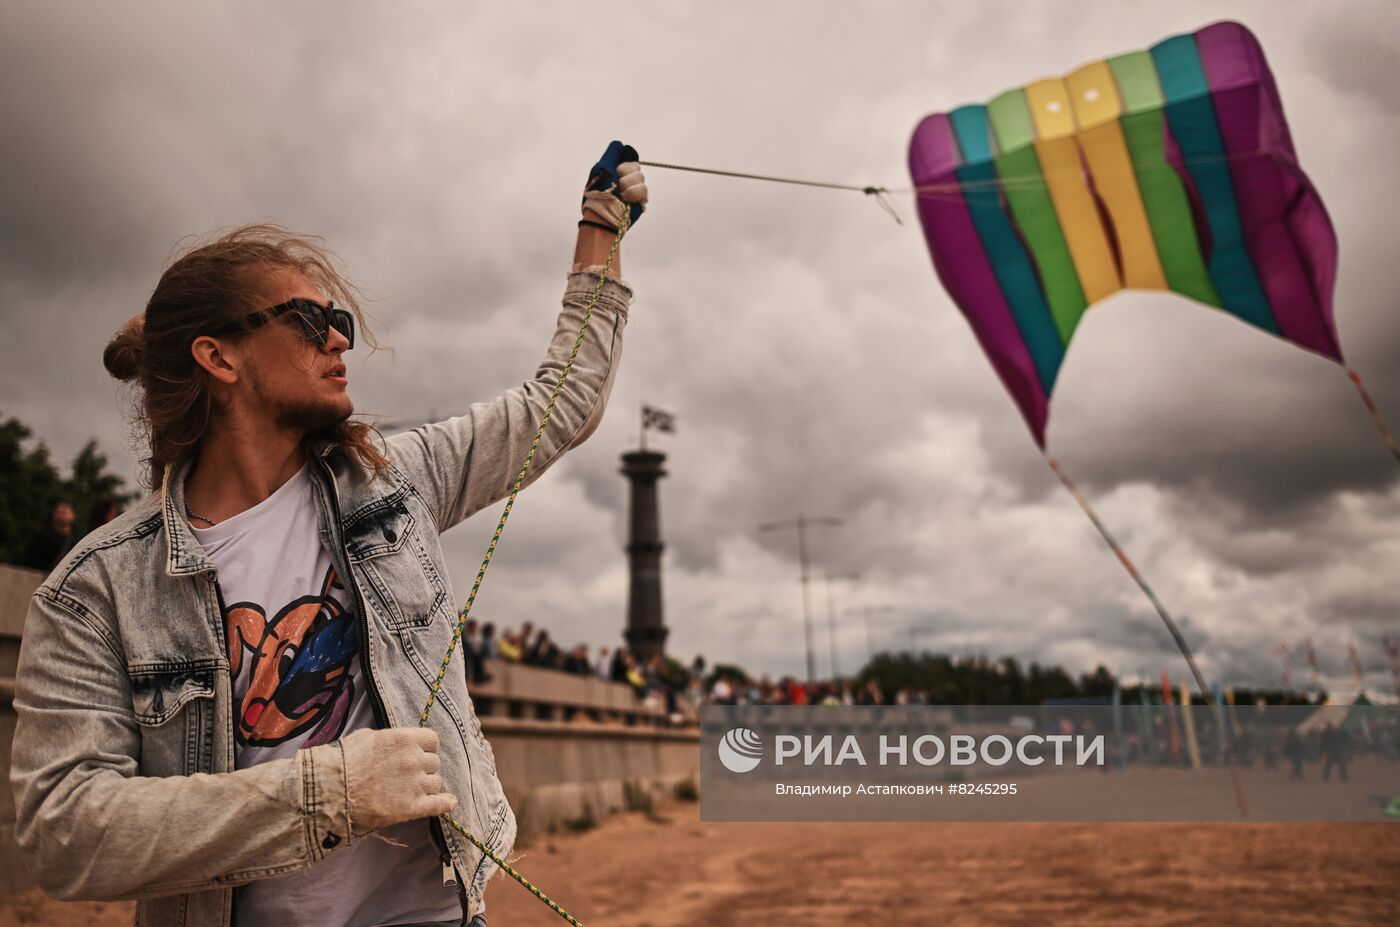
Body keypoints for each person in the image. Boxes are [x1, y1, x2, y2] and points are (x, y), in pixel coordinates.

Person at [10, 143, 648, 927]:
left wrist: (600, 229)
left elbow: (562, 401)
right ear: (219, 356)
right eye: (313, 321)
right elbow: (63, 831)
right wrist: (329, 791)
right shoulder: (93, 591)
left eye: (339, 320)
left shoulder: (394, 480)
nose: (340, 340)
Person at [18, 499, 77, 571]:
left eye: (64, 512)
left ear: (72, 516)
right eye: (58, 512)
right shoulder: (41, 539)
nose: (60, 514)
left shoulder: (75, 542)